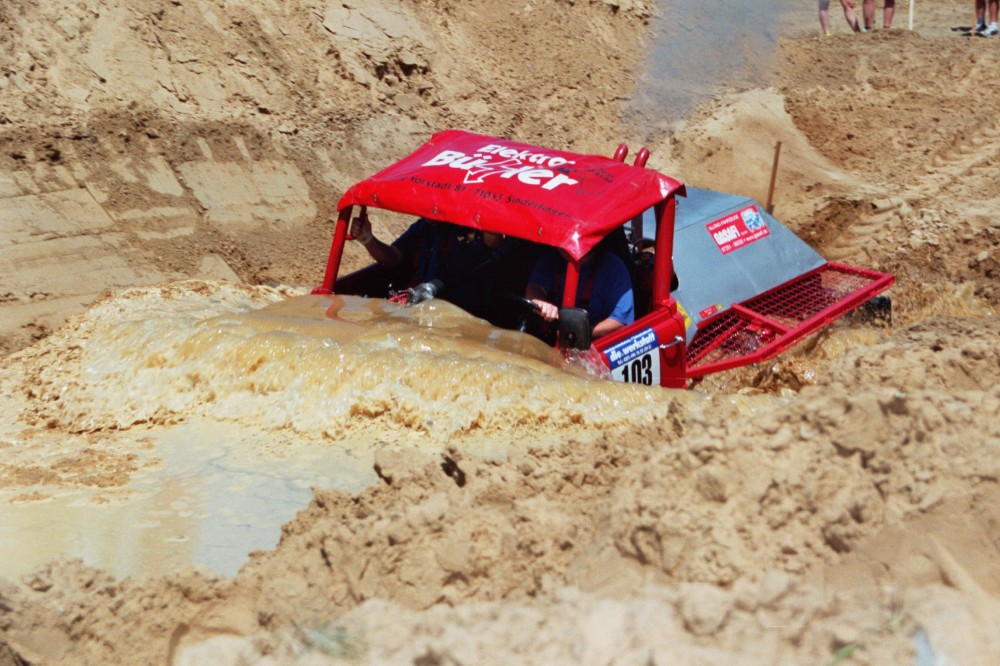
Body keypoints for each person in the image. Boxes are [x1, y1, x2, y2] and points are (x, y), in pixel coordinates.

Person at [349, 212, 506, 318]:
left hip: (459, 317)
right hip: (420, 308)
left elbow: (492, 241)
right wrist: (367, 239)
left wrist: (491, 225)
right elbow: (393, 258)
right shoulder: (423, 226)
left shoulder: (472, 230)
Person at [524, 244, 634, 340]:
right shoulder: (551, 260)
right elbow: (534, 287)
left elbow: (620, 322)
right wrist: (540, 302)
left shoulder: (613, 268)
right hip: (549, 337)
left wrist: (582, 333)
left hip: (591, 346)